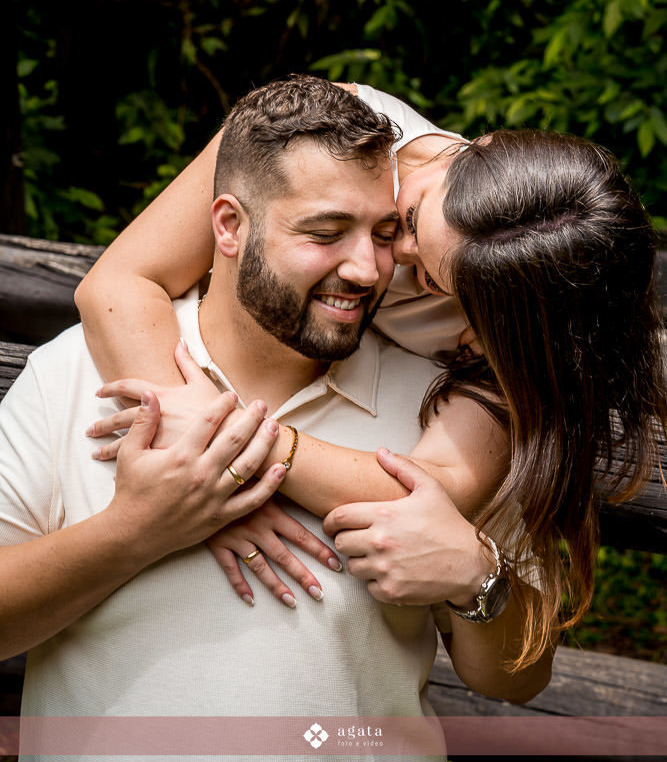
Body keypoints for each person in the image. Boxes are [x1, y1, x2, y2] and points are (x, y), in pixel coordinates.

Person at [0, 79, 548, 762]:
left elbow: (518, 678)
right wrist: (139, 531)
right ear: (227, 225)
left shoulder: (439, 406)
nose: (369, 268)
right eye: (323, 232)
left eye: (386, 233)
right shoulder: (80, 370)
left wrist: (480, 580)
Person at [77, 76, 665, 675]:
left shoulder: (507, 321)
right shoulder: (330, 126)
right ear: (479, 144)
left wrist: (236, 449)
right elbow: (116, 284)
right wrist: (206, 477)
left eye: (433, 279)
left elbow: (429, 487)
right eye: (407, 218)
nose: (391, 259)